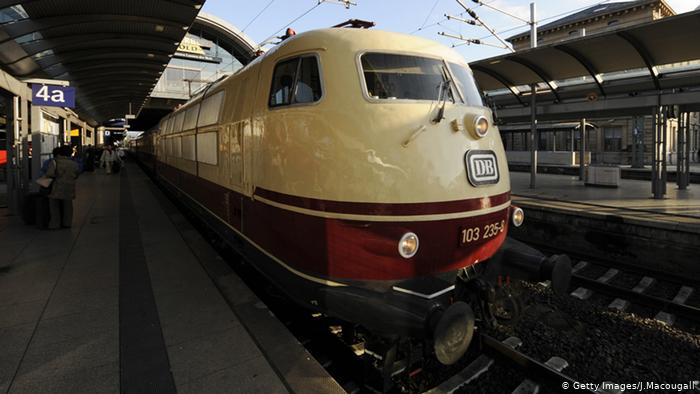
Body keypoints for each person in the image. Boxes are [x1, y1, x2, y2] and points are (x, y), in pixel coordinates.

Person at [46, 145, 79, 229]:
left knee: (54, 206)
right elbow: (76, 175)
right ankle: (67, 223)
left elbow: (50, 174)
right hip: (69, 187)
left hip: (57, 187)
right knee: (68, 205)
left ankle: (55, 224)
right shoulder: (74, 164)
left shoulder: (55, 162)